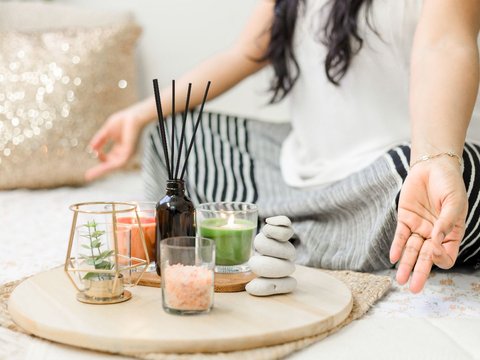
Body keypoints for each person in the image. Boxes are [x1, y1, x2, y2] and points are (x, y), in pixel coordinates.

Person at [86, 0, 480, 293]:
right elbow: (245, 52)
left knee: (466, 177)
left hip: (393, 176)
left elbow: (444, 45)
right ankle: (319, 233)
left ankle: (283, 233)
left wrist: (437, 159)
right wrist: (138, 115)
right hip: (294, 169)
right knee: (170, 134)